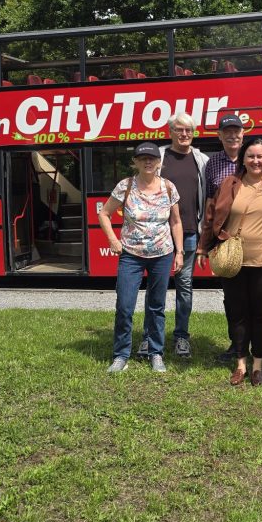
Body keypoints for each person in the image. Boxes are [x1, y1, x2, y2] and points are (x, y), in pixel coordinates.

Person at [197, 138, 262, 386]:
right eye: (250, 156)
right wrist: (203, 248)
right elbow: (211, 215)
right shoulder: (230, 183)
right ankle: (240, 363)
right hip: (232, 261)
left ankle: (258, 364)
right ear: (243, 159)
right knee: (236, 312)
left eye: (260, 157)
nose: (255, 161)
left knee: (260, 313)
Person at [99, 141, 184, 374]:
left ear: (159, 162)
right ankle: (121, 355)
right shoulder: (125, 186)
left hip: (162, 255)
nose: (148, 161)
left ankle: (156, 353)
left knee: (156, 307)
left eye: (152, 158)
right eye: (142, 158)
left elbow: (176, 222)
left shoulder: (168, 187)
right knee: (125, 306)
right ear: (135, 162)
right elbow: (104, 214)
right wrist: (113, 240)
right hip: (130, 255)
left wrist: (179, 252)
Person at [136, 113, 208, 361]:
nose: (184, 134)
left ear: (194, 132)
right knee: (155, 289)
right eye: (179, 129)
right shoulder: (159, 157)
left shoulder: (201, 160)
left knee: (184, 288)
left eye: (188, 130)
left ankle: (181, 337)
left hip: (188, 233)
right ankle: (148, 337)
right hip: (156, 234)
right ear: (170, 131)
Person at [204, 113, 245, 362]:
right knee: (231, 297)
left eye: (236, 131)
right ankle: (236, 344)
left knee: (258, 297)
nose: (232, 135)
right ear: (219, 135)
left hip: (254, 238)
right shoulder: (212, 164)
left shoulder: (255, 157)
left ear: (243, 134)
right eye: (227, 132)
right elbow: (210, 204)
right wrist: (206, 242)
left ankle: (261, 347)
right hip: (225, 240)